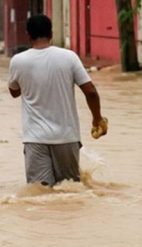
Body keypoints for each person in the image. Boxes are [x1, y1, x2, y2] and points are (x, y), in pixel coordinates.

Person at [8, 15, 106, 187]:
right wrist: (97, 118)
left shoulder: (18, 61)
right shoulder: (69, 57)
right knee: (69, 192)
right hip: (66, 138)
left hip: (35, 139)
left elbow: (14, 92)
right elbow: (90, 91)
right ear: (51, 33)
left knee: (40, 194)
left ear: (28, 35)